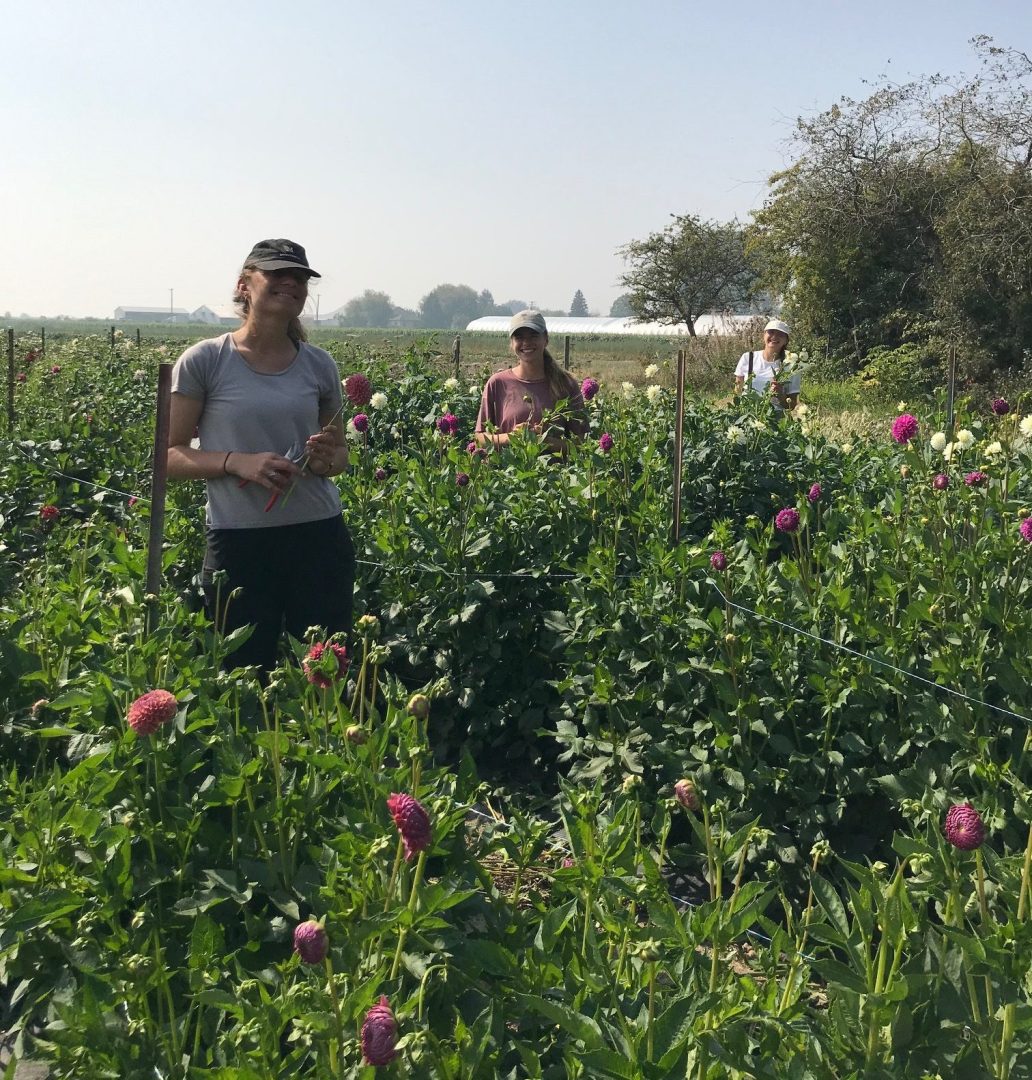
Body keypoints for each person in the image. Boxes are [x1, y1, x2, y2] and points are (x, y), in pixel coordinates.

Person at [167, 239, 353, 673]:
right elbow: (169, 456)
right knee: (242, 676)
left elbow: (338, 457)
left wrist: (325, 459)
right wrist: (237, 462)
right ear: (244, 285)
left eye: (300, 277)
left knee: (327, 674)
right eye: (277, 273)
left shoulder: (320, 365)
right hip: (240, 542)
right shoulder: (205, 360)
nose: (292, 282)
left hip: (319, 537)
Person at [475, 310, 587, 448]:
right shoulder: (497, 383)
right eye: (519, 337)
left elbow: (581, 443)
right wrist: (512, 437)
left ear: (546, 339)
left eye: (533, 336)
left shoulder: (566, 384)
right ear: (512, 343)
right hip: (507, 462)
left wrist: (544, 441)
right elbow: (479, 438)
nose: (526, 343)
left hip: (554, 463)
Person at [733, 318, 800, 412]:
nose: (774, 336)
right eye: (771, 332)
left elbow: (792, 405)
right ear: (764, 335)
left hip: (775, 417)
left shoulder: (791, 365)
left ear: (786, 340)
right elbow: (737, 391)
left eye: (780, 334)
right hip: (748, 414)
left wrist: (780, 395)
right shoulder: (748, 358)